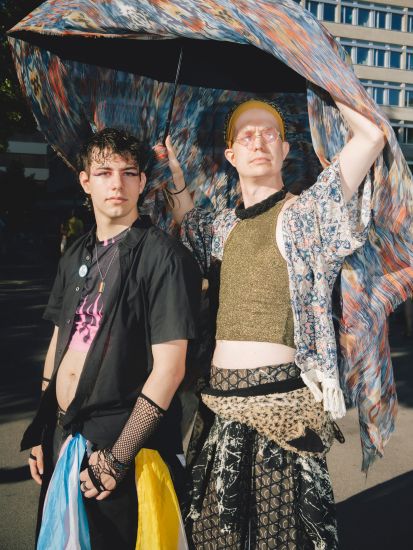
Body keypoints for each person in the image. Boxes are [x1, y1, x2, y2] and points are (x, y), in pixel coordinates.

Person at [160, 98, 385, 548]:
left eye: (269, 134)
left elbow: (371, 137)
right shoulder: (220, 227)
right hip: (219, 406)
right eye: (246, 135)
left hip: (283, 415)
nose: (259, 141)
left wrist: (322, 75)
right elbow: (187, 224)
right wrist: (175, 177)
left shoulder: (304, 215)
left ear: (284, 150)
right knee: (213, 538)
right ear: (231, 155)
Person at [23, 128, 201, 549]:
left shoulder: (164, 257)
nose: (116, 183)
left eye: (128, 172)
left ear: (142, 182)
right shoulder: (75, 254)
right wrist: (43, 427)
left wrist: (118, 458)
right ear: (85, 181)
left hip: (126, 448)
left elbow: (170, 370)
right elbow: (59, 342)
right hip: (65, 435)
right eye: (104, 172)